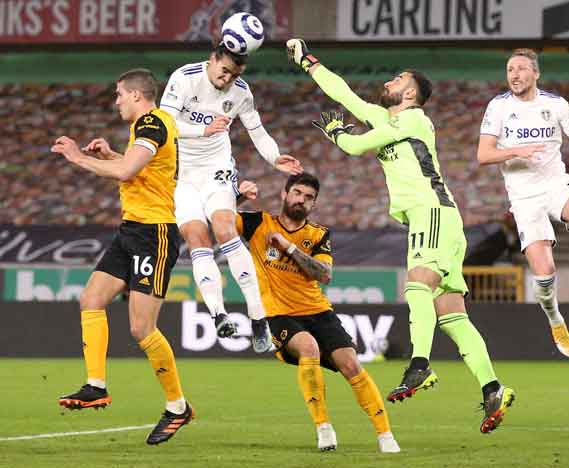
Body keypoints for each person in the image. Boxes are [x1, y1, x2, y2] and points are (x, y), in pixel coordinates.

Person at [286, 40, 514, 434]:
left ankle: (420, 365)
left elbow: (356, 146)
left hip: (432, 213)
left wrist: (338, 134)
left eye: (398, 78)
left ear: (409, 93)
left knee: (416, 284)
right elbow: (344, 93)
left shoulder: (415, 120)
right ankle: (493, 388)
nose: (389, 81)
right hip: (440, 220)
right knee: (453, 315)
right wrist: (308, 62)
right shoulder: (389, 120)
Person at [52, 69, 193, 445]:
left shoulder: (152, 120)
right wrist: (112, 154)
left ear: (135, 95)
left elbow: (128, 170)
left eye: (118, 95)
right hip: (131, 230)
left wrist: (77, 157)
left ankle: (178, 407)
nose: (115, 102)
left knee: (141, 329)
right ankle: (96, 385)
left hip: (154, 234)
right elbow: (139, 174)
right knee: (92, 299)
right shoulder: (149, 127)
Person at [235, 173, 400, 452]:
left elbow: (324, 274)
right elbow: (217, 218)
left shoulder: (319, 234)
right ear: (284, 194)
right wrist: (238, 196)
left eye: (308, 197)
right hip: (277, 313)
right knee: (308, 348)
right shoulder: (258, 223)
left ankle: (385, 435)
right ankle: (324, 427)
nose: (301, 200)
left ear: (314, 204)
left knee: (351, 365)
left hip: (318, 311)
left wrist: (288, 248)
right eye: (297, 193)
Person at [159, 41, 302, 352]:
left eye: (234, 75)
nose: (227, 80)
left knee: (225, 228)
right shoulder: (184, 78)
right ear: (213, 59)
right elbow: (164, 124)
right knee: (197, 238)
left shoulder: (241, 92)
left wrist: (275, 158)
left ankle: (258, 317)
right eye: (224, 72)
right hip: (181, 174)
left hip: (216, 168)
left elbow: (257, 130)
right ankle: (219, 314)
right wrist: (204, 130)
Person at [477, 48, 569, 358]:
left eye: (522, 68)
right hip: (524, 198)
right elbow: (483, 155)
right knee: (544, 270)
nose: (514, 74)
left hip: (555, 184)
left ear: (535, 73)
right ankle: (555, 320)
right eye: (510, 69)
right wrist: (516, 151)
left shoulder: (555, 105)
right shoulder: (498, 108)